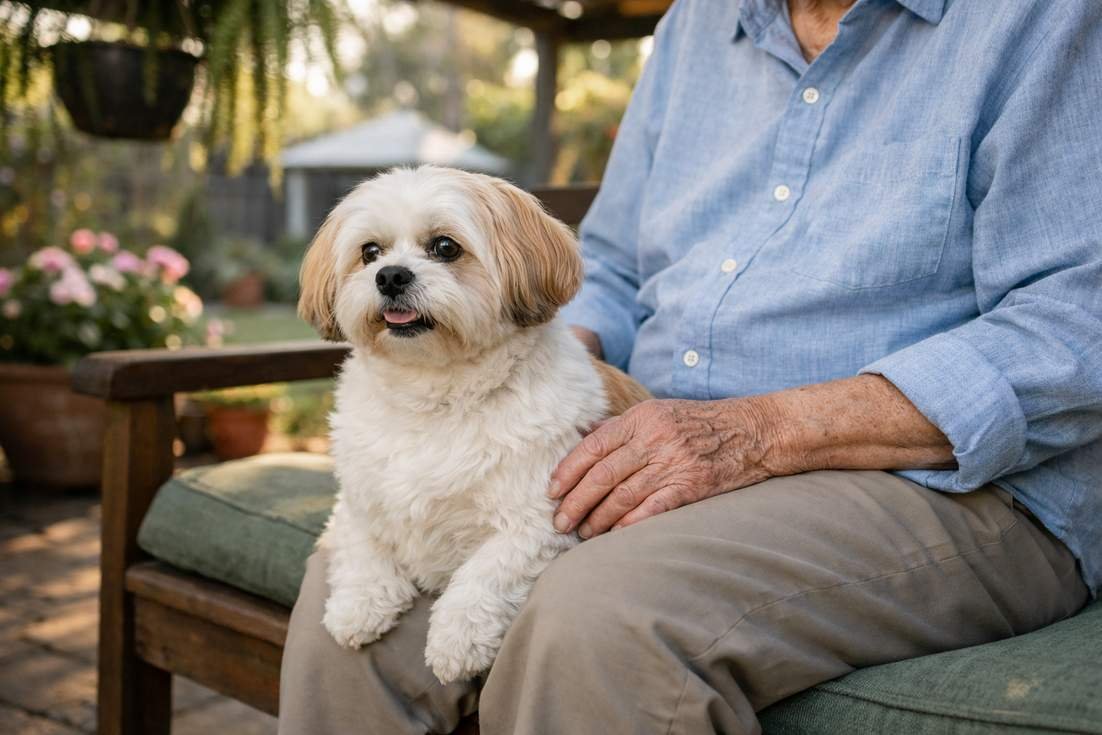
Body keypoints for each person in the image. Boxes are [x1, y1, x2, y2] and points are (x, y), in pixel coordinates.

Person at [278, 1, 1102, 732]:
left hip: (944, 476)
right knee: (350, 616)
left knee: (597, 618)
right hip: (653, 438)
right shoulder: (697, 24)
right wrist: (536, 368)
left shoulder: (1044, 20)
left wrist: (759, 431)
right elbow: (613, 264)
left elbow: (1074, 324)